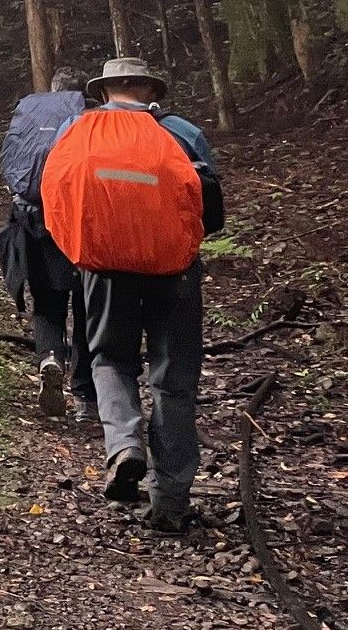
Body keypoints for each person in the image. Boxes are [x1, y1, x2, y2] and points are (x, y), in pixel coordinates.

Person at [41, 58, 225, 534]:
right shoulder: (182, 133)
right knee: (174, 378)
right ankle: (170, 501)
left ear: (105, 92)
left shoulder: (75, 129)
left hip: (104, 270)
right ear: (147, 90)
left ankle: (124, 447)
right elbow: (212, 210)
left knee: (108, 360)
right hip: (174, 273)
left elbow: (54, 191)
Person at [0, 66, 95, 421]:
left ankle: (51, 357)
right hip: (77, 224)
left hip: (34, 221)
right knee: (86, 308)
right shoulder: (89, 117)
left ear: (51, 89)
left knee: (48, 302)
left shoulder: (29, 113)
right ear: (83, 93)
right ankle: (85, 396)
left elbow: (11, 165)